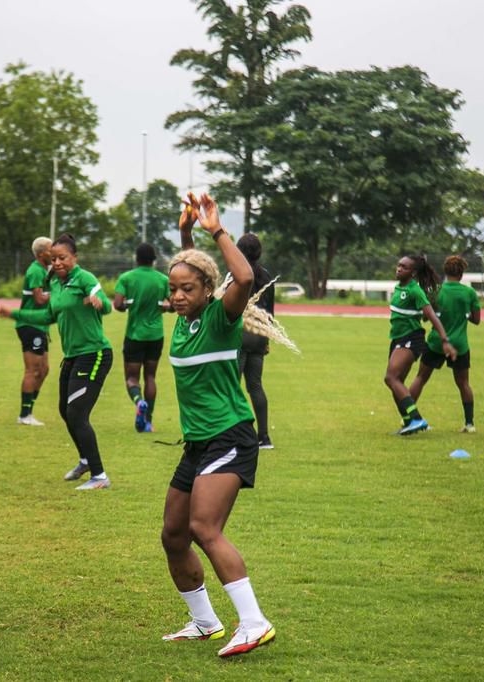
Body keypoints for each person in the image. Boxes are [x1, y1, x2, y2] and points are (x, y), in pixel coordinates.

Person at [159, 193, 295, 659]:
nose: (177, 295)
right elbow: (187, 269)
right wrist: (186, 235)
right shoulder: (182, 318)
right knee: (173, 535)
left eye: (186, 289)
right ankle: (204, 622)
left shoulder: (221, 316)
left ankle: (254, 623)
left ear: (207, 290)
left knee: (203, 526)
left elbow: (244, 277)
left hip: (232, 437)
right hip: (197, 443)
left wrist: (215, 230)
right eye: (173, 288)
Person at [0, 234, 114, 490]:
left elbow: (106, 305)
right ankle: (85, 459)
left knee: (77, 413)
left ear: (74, 258)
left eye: (63, 258)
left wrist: (98, 302)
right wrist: (12, 314)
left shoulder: (85, 278)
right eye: (53, 259)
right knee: (65, 410)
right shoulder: (58, 284)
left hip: (94, 354)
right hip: (72, 356)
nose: (57, 263)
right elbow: (47, 314)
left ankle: (99, 476)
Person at [384, 255, 456, 435]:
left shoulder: (415, 291)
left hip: (411, 339)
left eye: (404, 267)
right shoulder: (399, 287)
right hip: (397, 338)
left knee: (390, 378)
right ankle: (409, 422)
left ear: (413, 272)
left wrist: (445, 341)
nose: (399, 268)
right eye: (399, 265)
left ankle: (416, 419)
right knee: (396, 382)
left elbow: (431, 316)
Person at [408, 255, 480, 432]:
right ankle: (469, 423)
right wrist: (463, 315)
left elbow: (426, 317)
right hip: (460, 344)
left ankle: (408, 418)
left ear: (445, 272)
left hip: (436, 342)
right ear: (462, 273)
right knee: (463, 383)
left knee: (421, 378)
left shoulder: (435, 291)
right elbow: (476, 319)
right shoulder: (469, 293)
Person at [114, 243, 170, 432]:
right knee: (151, 377)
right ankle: (148, 421)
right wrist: (163, 306)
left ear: (136, 258)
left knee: (132, 378)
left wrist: (129, 305)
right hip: (156, 335)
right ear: (154, 260)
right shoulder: (163, 280)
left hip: (135, 335)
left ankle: (139, 403)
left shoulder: (126, 278)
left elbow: (118, 304)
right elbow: (170, 304)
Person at [235, 233, 276, 449]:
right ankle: (264, 437)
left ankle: (235, 434)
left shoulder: (237, 274)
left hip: (239, 336)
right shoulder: (267, 276)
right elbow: (271, 312)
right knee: (255, 386)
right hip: (259, 336)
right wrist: (267, 338)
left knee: (232, 386)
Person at [15, 237, 54, 426]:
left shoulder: (44, 270)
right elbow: (39, 300)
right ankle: (24, 415)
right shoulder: (36, 271)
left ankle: (29, 410)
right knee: (32, 370)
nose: (53, 252)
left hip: (40, 326)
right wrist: (60, 297)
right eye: (50, 249)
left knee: (44, 369)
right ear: (41, 254)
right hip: (30, 325)